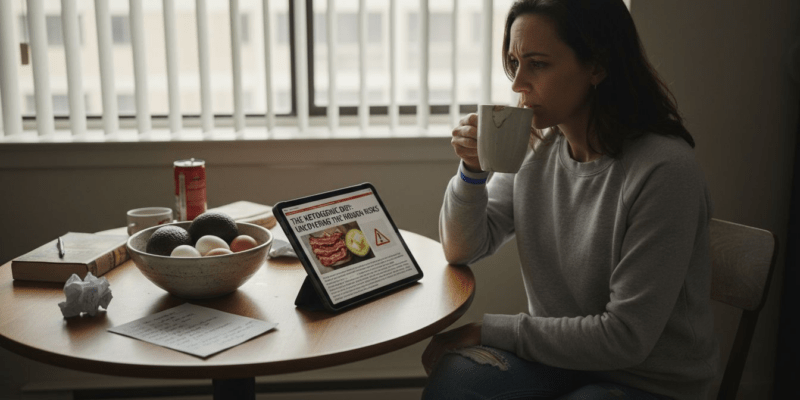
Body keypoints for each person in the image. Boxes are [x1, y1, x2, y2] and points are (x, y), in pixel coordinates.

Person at [421, 0, 719, 399]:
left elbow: (626, 338)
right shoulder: (538, 152)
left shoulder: (664, 171)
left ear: (596, 66)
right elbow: (462, 247)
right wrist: (473, 171)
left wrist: (487, 330)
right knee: (455, 381)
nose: (517, 84)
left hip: (649, 381)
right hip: (562, 364)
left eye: (538, 64)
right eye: (514, 61)